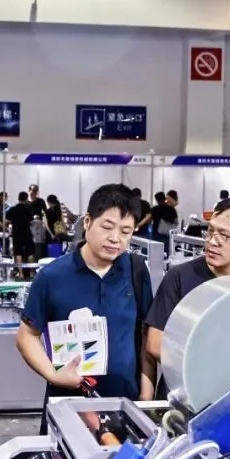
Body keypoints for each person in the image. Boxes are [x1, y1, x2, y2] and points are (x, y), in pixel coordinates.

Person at [16, 184, 154, 433]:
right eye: (107, 227)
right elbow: (27, 336)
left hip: (125, 406)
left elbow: (145, 333)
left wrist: (146, 389)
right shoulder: (52, 277)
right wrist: (53, 375)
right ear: (88, 222)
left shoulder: (136, 271)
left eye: (126, 231)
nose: (115, 238)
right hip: (68, 406)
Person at [145, 198, 230, 373]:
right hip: (182, 384)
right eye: (210, 231)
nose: (212, 241)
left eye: (224, 235)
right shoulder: (179, 276)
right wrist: (207, 370)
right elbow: (155, 343)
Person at [6, 191, 35, 274]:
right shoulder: (29, 208)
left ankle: (21, 274)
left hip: (16, 233)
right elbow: (32, 221)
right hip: (27, 233)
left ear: (18, 198)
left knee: (18, 253)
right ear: (26, 198)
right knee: (30, 253)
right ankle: (31, 273)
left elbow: (7, 221)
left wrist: (13, 222)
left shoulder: (12, 209)